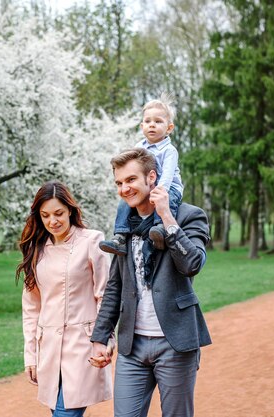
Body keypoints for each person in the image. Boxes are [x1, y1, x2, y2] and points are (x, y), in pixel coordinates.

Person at [90, 148, 211, 417]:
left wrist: (167, 218)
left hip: (176, 342)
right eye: (119, 183)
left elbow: (192, 265)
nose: (124, 189)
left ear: (152, 177)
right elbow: (115, 285)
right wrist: (101, 337)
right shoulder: (124, 226)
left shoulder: (190, 215)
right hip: (132, 345)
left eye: (131, 180)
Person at [16, 180, 114, 416]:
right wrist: (31, 355)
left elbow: (105, 297)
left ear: (70, 209)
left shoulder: (92, 241)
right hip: (48, 349)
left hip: (83, 348)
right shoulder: (36, 250)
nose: (53, 221)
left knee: (65, 413)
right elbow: (31, 308)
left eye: (58, 213)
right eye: (45, 215)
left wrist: (105, 341)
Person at [99, 93, 184, 256]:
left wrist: (161, 191)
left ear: (169, 128)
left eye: (158, 121)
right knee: (125, 201)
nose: (152, 125)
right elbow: (133, 167)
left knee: (167, 201)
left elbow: (167, 174)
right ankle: (120, 237)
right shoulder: (139, 146)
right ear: (141, 126)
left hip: (169, 188)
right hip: (147, 185)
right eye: (148, 121)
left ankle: (160, 228)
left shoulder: (169, 151)